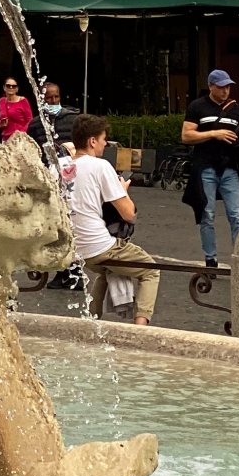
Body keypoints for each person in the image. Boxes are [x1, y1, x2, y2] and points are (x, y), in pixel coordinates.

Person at [67, 115, 160, 325]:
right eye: (103, 139)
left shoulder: (62, 166)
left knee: (107, 269)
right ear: (92, 141)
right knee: (151, 270)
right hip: (97, 245)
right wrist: (122, 190)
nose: (105, 144)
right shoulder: (100, 166)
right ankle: (140, 329)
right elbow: (129, 214)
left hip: (74, 248)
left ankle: (91, 321)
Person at [180, 69, 239, 267]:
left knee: (237, 215)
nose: (225, 91)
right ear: (211, 86)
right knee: (207, 215)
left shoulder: (235, 108)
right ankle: (211, 259)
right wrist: (214, 134)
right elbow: (186, 136)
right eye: (221, 87)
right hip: (206, 166)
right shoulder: (197, 106)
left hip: (230, 168)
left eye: (228, 87)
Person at [39, 79, 79, 156]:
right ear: (42, 99)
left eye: (56, 97)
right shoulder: (35, 124)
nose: (54, 101)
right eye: (49, 97)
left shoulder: (73, 120)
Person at [0, 78, 34, 143]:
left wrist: (21, 134)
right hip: (5, 138)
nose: (11, 87)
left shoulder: (23, 101)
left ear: (17, 89)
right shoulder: (1, 101)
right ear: (4, 88)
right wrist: (1, 124)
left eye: (14, 86)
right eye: (8, 85)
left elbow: (30, 121)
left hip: (19, 138)